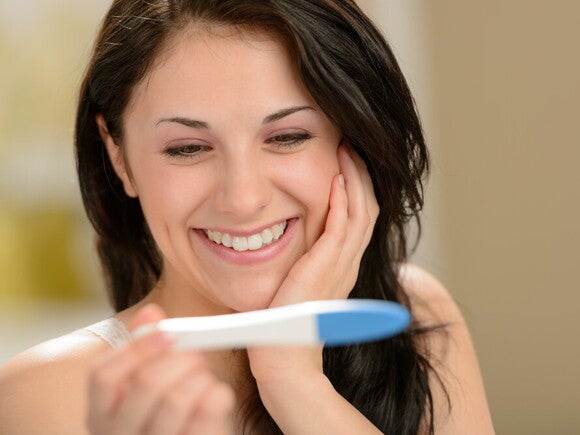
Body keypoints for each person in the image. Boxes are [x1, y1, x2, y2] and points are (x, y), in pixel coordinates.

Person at [0, 0, 495, 433]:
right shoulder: (53, 396)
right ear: (118, 156)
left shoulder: (414, 318)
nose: (242, 198)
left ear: (354, 143)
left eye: (287, 137)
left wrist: (294, 382)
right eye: (188, 147)